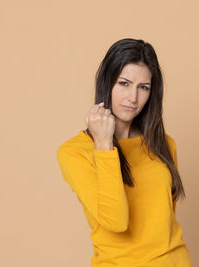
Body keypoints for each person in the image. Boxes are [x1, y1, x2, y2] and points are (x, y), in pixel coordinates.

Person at [56, 38, 192, 266]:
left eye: (144, 87)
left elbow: (165, 222)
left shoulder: (164, 144)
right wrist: (103, 145)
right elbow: (116, 221)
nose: (133, 98)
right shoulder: (74, 152)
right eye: (124, 83)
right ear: (106, 81)